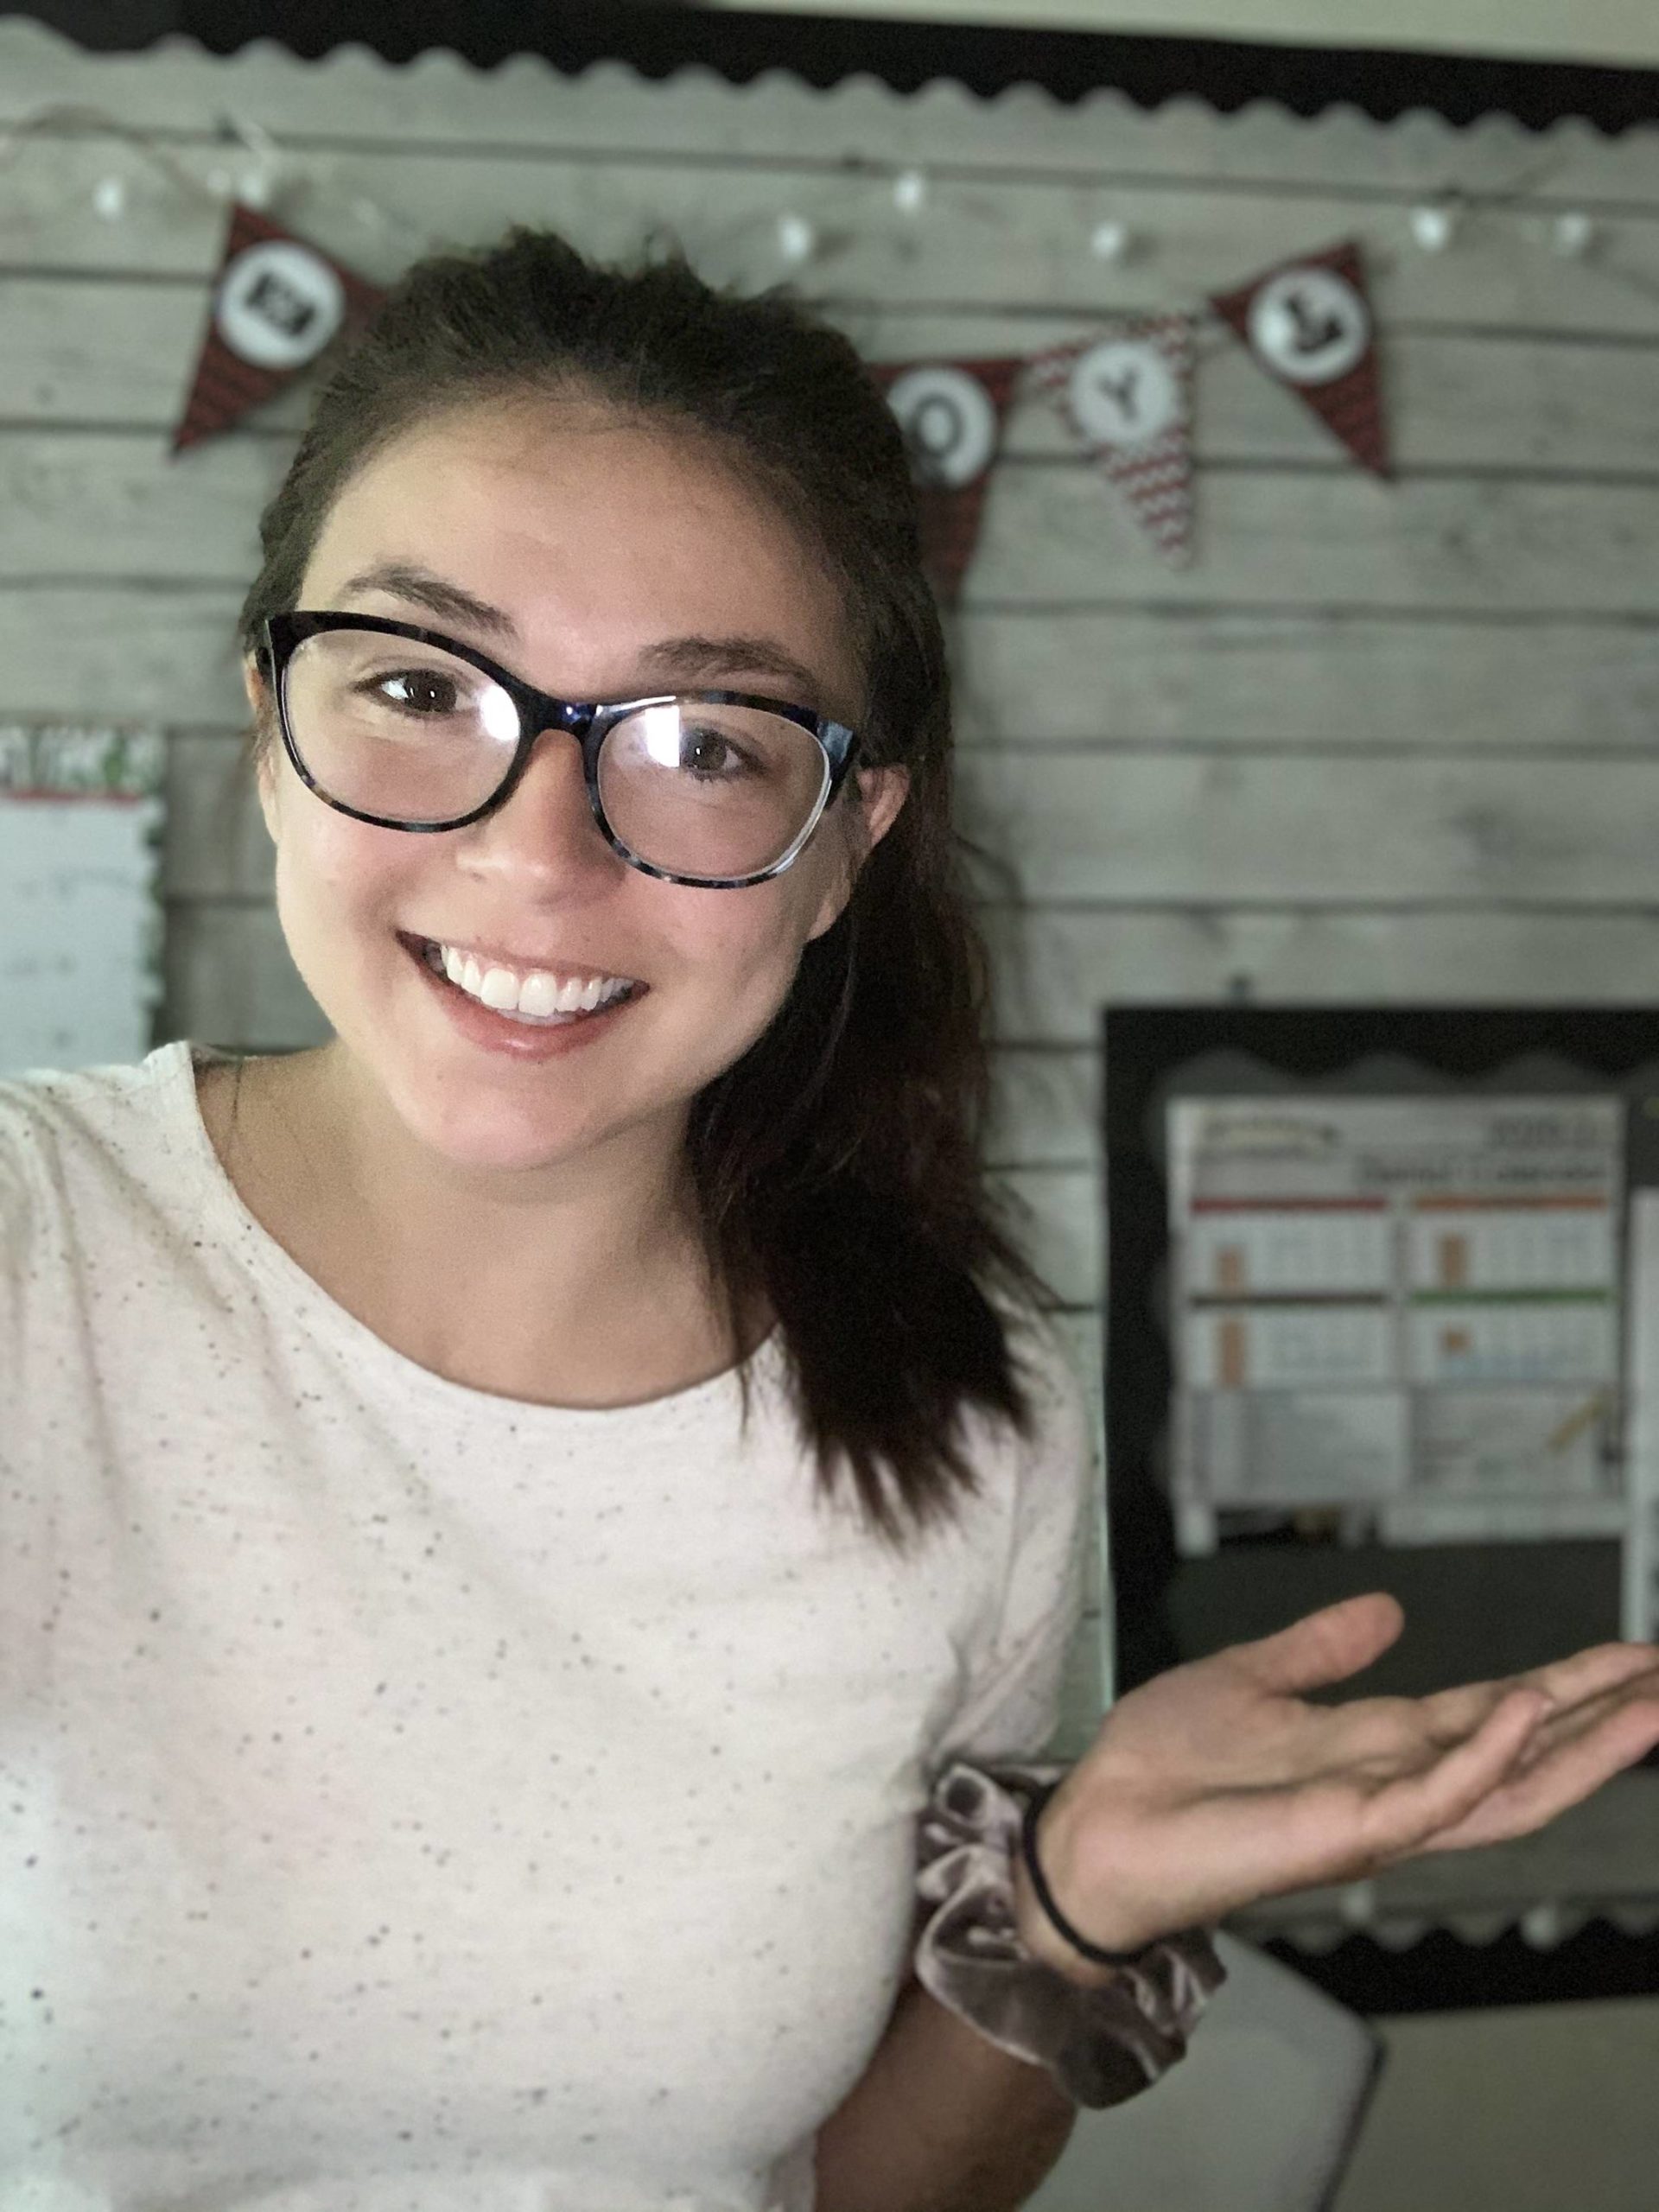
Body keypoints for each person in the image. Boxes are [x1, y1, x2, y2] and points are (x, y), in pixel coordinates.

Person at [3, 226, 1656, 2212]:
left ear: (845, 841)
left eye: (706, 743)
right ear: (271, 725)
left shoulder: (964, 1407)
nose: (537, 860)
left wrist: (1067, 1909)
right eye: (422, 683)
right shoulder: (43, 1256)